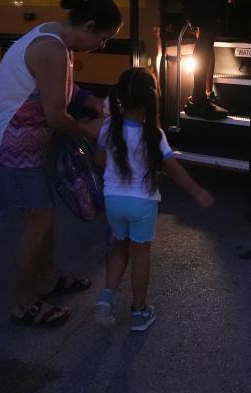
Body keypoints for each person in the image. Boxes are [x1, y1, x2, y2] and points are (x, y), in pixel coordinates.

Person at [0, 0, 122, 328]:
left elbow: (59, 86)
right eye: (103, 39)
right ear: (90, 26)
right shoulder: (52, 50)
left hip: (21, 146)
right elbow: (55, 116)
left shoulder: (55, 37)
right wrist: (91, 130)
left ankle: (49, 279)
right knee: (39, 224)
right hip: (7, 149)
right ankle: (24, 305)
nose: (103, 46)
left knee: (45, 218)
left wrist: (92, 101)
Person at [91, 67, 214, 331]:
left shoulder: (107, 127)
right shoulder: (154, 135)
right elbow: (175, 171)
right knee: (141, 256)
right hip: (142, 203)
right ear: (151, 99)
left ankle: (106, 297)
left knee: (118, 247)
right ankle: (139, 312)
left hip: (113, 199)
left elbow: (100, 160)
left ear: (120, 97)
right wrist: (197, 191)